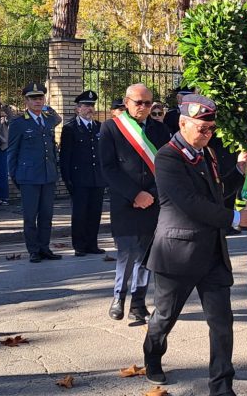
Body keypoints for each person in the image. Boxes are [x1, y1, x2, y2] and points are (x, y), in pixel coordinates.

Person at [143, 94, 247, 395]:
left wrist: (240, 172)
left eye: (211, 129)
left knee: (222, 323)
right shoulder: (167, 157)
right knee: (165, 317)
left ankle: (221, 386)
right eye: (202, 129)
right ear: (182, 123)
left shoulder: (207, 154)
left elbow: (216, 193)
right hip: (177, 254)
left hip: (212, 253)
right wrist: (234, 217)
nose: (208, 134)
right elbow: (189, 204)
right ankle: (152, 356)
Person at [100, 84, 170, 322]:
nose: (143, 107)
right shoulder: (111, 128)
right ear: (126, 102)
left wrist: (151, 193)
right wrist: (134, 194)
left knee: (146, 254)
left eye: (148, 103)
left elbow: (165, 167)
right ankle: (119, 297)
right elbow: (108, 168)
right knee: (127, 253)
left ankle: (138, 303)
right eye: (138, 102)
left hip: (153, 200)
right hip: (125, 201)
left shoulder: (160, 130)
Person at [7, 82, 62, 263]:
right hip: (28, 177)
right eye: (33, 98)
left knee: (46, 215)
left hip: (48, 175)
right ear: (26, 101)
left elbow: (57, 120)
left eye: (40, 98)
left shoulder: (47, 119)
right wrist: (15, 176)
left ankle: (44, 247)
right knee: (30, 216)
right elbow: (12, 152)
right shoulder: (19, 122)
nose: (38, 101)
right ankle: (33, 250)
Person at [60, 90, 107, 257]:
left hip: (97, 178)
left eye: (92, 105)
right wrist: (68, 180)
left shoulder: (100, 127)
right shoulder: (70, 129)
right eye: (86, 106)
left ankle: (92, 244)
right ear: (77, 109)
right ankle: (79, 245)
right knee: (80, 213)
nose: (90, 109)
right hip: (79, 179)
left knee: (95, 213)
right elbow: (65, 157)